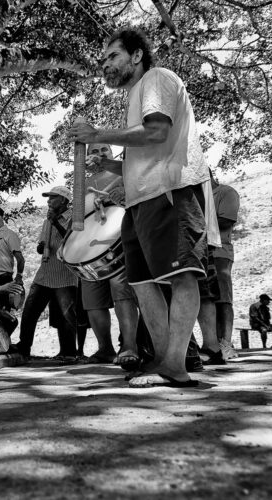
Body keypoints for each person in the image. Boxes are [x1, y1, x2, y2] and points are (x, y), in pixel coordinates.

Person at [68, 28, 213, 387]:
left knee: (181, 277)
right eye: (102, 59)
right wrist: (111, 167)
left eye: (113, 56)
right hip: (139, 203)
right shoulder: (136, 95)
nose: (106, 64)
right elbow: (145, 151)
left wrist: (97, 135)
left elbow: (157, 133)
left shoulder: (156, 79)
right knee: (143, 282)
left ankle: (176, 365)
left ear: (136, 55)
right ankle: (165, 361)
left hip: (171, 191)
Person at [79, 143, 140, 368]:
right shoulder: (82, 182)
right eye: (93, 151)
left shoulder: (124, 170)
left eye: (104, 149)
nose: (99, 154)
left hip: (120, 243)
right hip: (89, 248)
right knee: (93, 301)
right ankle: (105, 348)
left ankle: (130, 346)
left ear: (112, 153)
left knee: (121, 292)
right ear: (85, 158)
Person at [14, 187, 79, 362]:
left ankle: (69, 353)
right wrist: (40, 247)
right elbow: (42, 244)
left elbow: (73, 241)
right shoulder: (47, 220)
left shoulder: (73, 219)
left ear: (64, 200)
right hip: (45, 273)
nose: (49, 201)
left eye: (53, 198)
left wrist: (55, 222)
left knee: (66, 315)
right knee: (29, 310)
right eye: (48, 198)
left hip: (65, 274)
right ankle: (24, 347)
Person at [212, 172, 240, 359]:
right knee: (207, 301)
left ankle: (226, 343)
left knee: (222, 298)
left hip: (219, 252)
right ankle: (213, 344)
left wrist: (195, 219)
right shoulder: (193, 197)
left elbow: (226, 221)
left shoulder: (226, 192)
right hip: (196, 255)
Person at [0, 206, 25, 310]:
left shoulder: (9, 235)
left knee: (3, 315)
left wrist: (19, 276)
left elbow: (20, 259)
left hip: (3, 279)